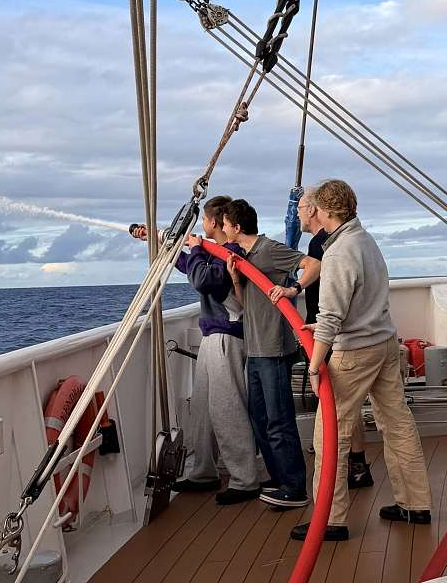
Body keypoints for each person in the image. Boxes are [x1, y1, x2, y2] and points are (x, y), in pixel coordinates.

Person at [291, 180, 432, 543]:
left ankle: (331, 520)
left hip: (354, 353)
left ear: (323, 211)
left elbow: (332, 317)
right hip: (384, 343)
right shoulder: (365, 240)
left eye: (311, 209)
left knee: (329, 438)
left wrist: (313, 368)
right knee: (397, 423)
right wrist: (324, 327)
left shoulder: (338, 252)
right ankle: (415, 504)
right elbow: (354, 304)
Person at [131, 196, 260, 505]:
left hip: (227, 337)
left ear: (213, 223)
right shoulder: (214, 254)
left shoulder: (231, 253)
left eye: (204, 220)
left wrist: (198, 247)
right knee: (202, 407)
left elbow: (203, 280)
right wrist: (164, 244)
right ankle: (204, 472)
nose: (202, 225)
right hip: (212, 336)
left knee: (227, 409)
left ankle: (245, 478)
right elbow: (191, 265)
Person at [223, 199, 321, 508]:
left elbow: (313, 265)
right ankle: (280, 477)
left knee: (279, 420)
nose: (223, 228)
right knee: (260, 418)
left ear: (237, 228)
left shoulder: (268, 250)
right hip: (255, 349)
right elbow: (245, 302)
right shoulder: (247, 257)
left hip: (273, 349)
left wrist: (294, 289)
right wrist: (237, 279)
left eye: (225, 224)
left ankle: (295, 487)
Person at [297, 190, 373, 490]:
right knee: (356, 411)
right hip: (353, 336)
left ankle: (333, 510)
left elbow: (331, 309)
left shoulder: (327, 247)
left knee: (333, 420)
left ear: (316, 210)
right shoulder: (360, 239)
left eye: (301, 207)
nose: (298, 214)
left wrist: (315, 363)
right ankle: (358, 465)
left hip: (334, 338)